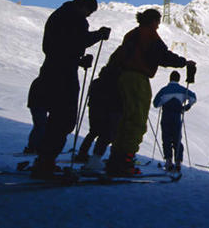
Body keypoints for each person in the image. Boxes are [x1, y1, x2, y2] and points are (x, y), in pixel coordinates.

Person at [106, 9, 196, 176]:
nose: (159, 24)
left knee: (125, 118)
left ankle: (115, 158)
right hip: (137, 77)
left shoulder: (132, 34)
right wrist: (183, 62)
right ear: (153, 21)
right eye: (158, 21)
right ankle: (125, 161)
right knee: (136, 119)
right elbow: (162, 56)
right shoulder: (149, 35)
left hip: (122, 77)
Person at [30, 0, 111, 179]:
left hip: (51, 69)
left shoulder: (59, 15)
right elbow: (77, 40)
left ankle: (44, 160)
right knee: (64, 118)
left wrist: (79, 60)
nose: (88, 16)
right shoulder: (74, 18)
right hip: (63, 74)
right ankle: (46, 162)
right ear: (83, 6)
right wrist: (99, 35)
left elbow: (63, 46)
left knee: (55, 119)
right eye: (89, 12)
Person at [75, 48, 125, 171]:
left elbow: (91, 95)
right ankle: (96, 158)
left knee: (94, 131)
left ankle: (82, 153)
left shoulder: (98, 81)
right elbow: (118, 97)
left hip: (94, 109)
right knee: (106, 134)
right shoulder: (117, 80)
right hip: (109, 109)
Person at [153, 70, 197, 172]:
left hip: (166, 116)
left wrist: (163, 103)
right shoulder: (182, 90)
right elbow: (193, 97)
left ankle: (168, 161)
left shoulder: (164, 90)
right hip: (177, 116)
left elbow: (156, 103)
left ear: (170, 78)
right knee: (177, 139)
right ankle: (178, 162)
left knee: (166, 138)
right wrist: (187, 106)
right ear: (178, 79)